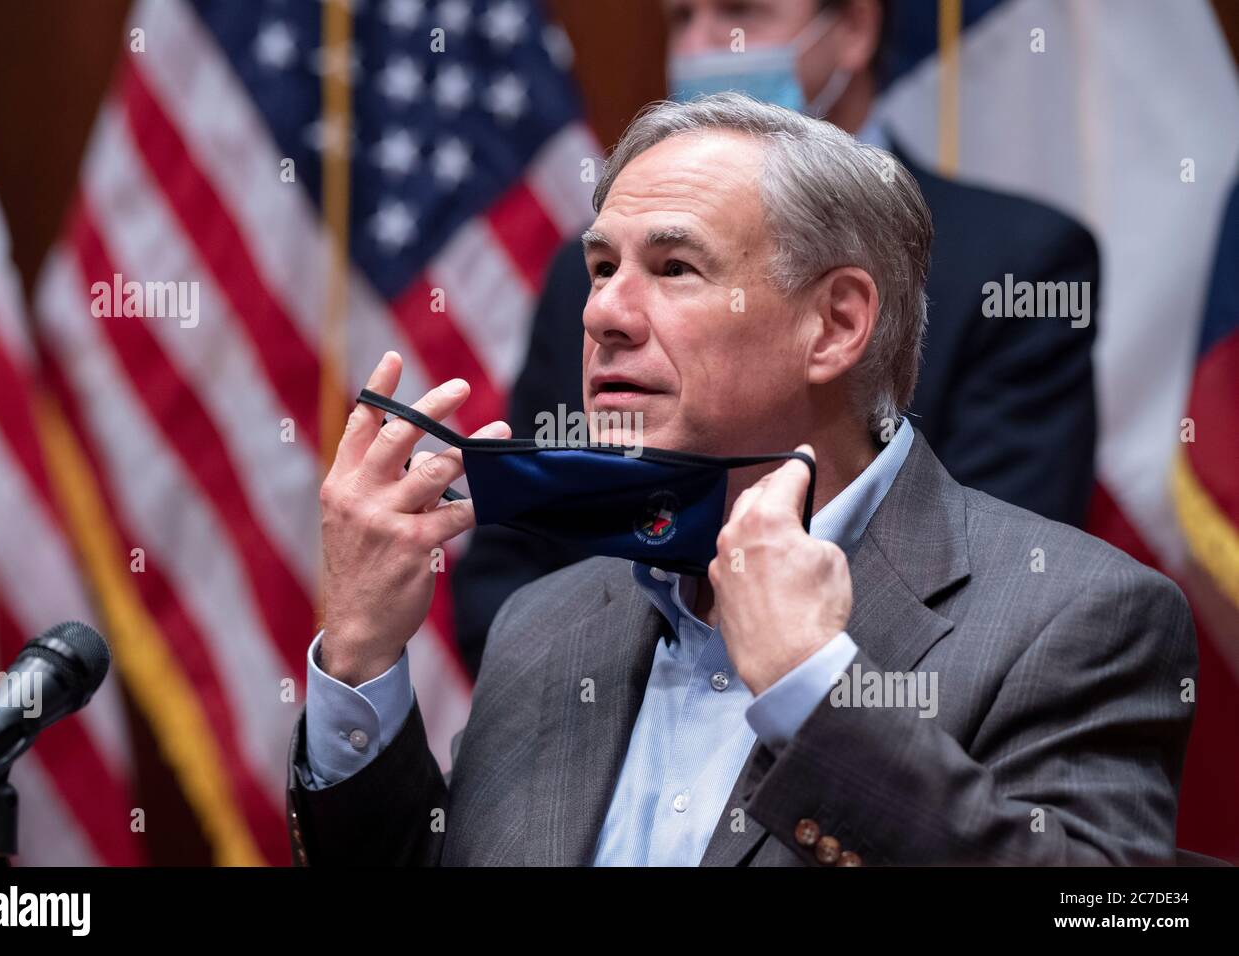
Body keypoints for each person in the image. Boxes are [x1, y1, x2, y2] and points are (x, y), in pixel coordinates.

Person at [288, 94, 1193, 867]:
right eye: (602, 268)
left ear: (835, 326)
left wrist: (814, 691)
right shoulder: (548, 621)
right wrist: (361, 660)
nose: (602, 311)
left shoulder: (1077, 617)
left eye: (674, 268)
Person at [451, 0, 1100, 678]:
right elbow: (509, 571)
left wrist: (793, 667)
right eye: (681, 20)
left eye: (740, 14)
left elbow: (992, 592)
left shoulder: (1013, 261)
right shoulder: (582, 281)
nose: (705, 45)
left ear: (852, 28)